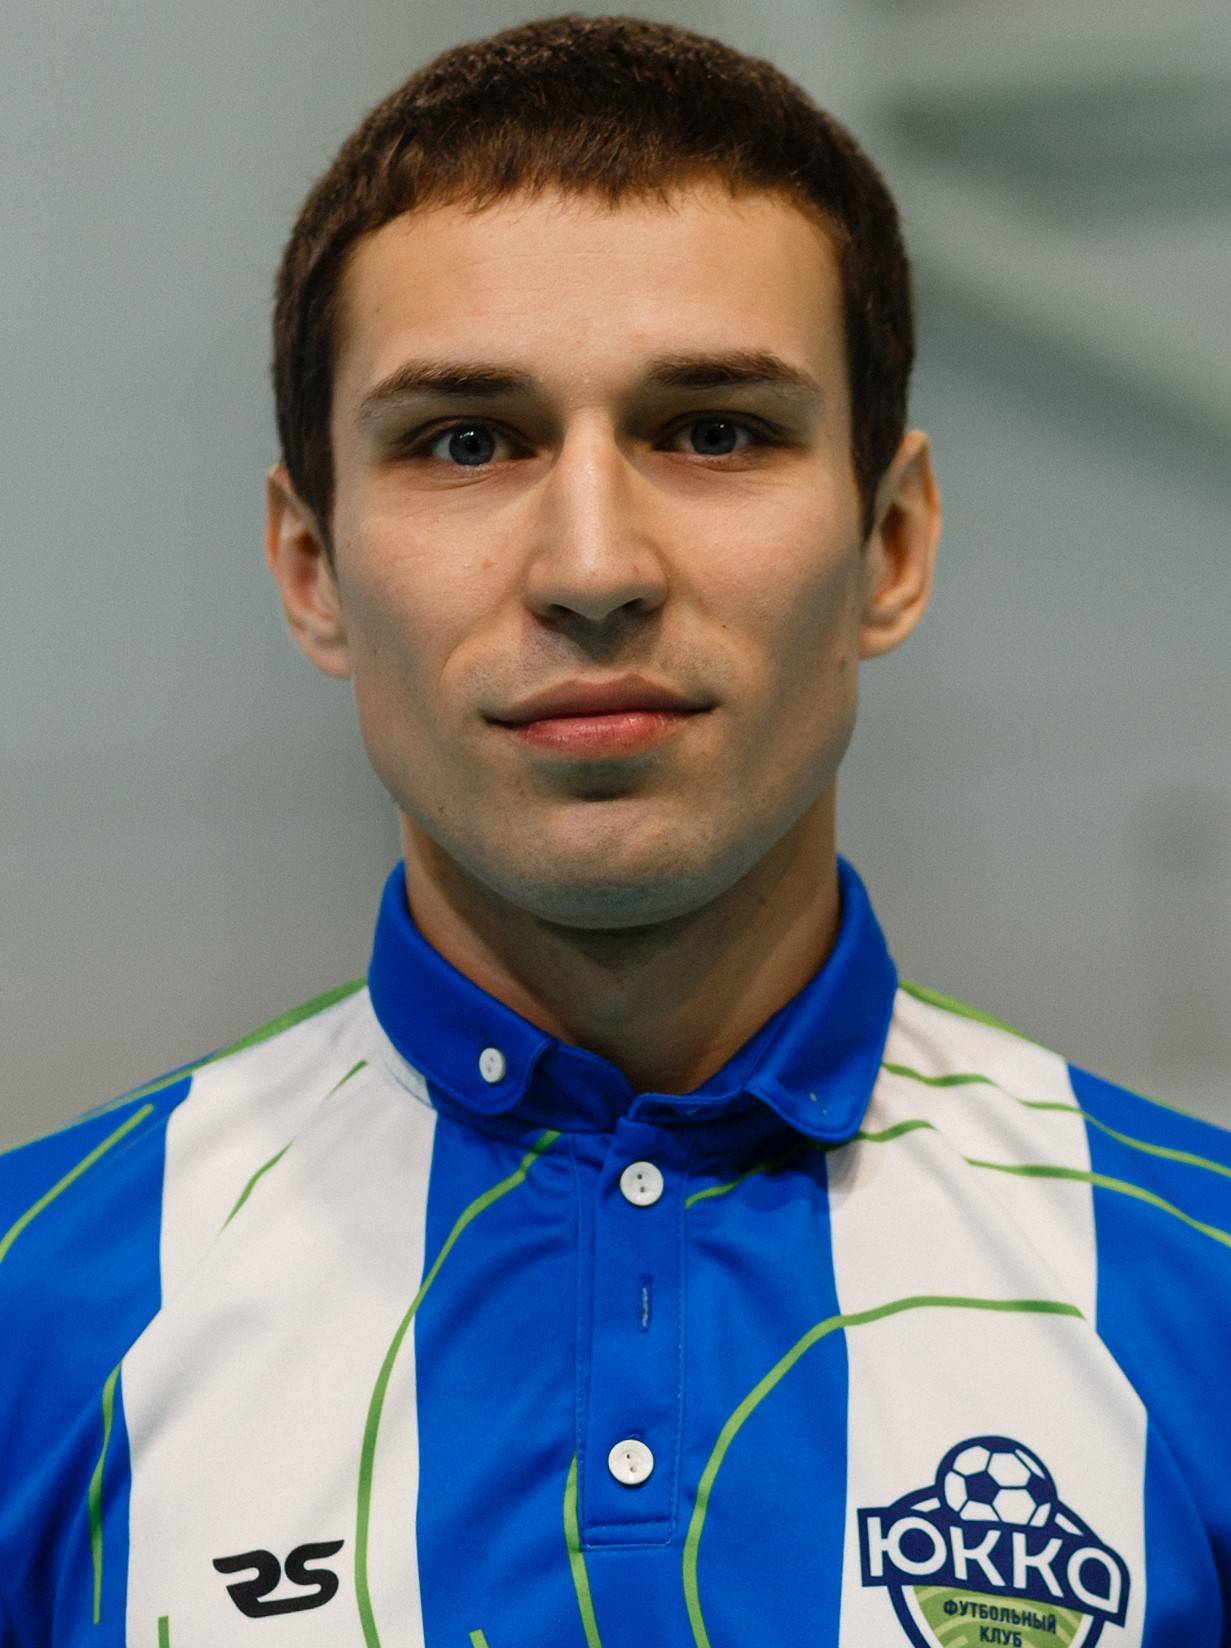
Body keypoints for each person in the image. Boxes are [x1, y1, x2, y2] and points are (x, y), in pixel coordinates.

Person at [2, 12, 1228, 1645]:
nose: (593, 568)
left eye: (714, 430)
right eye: (467, 441)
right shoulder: (36, 1320)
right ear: (312, 570)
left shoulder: (1203, 1294)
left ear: (891, 543)